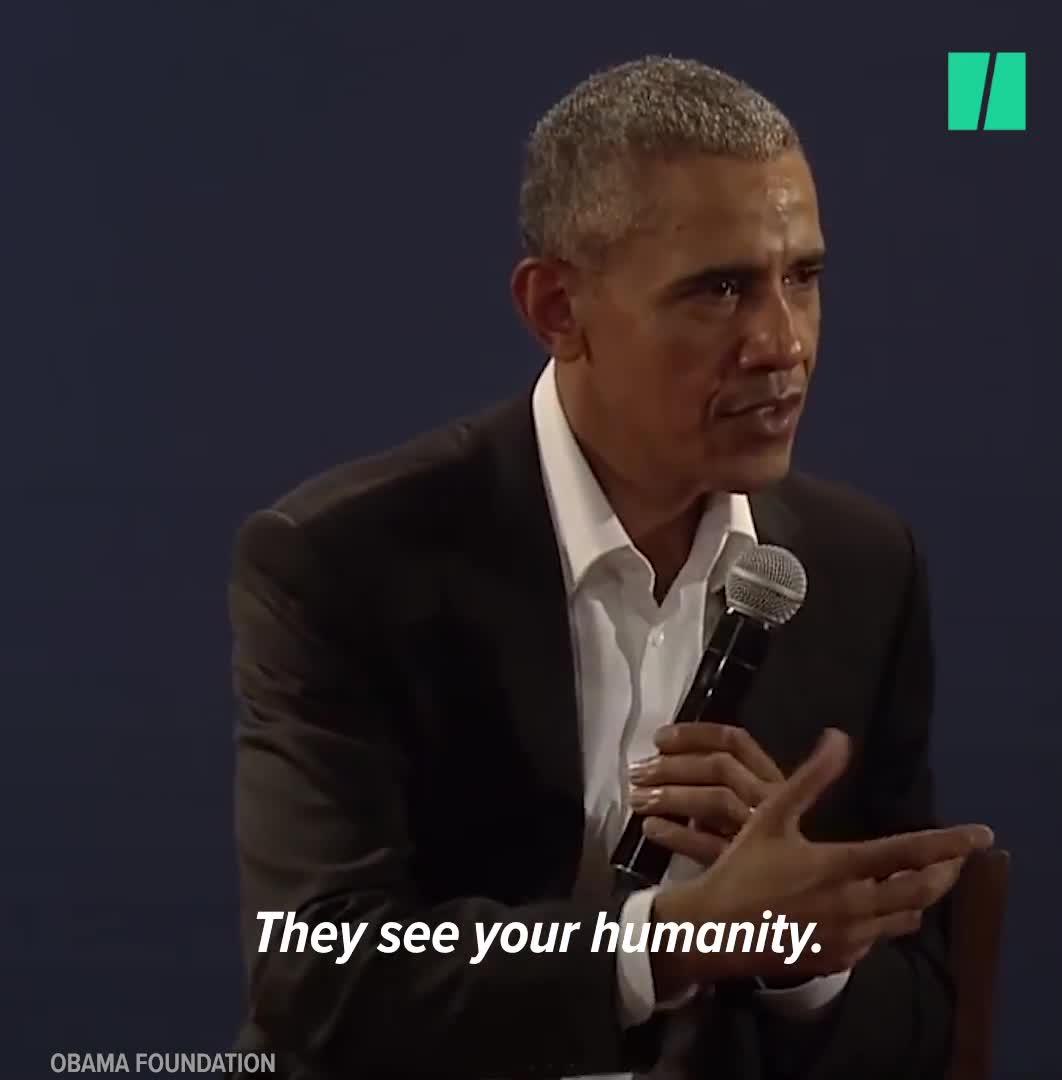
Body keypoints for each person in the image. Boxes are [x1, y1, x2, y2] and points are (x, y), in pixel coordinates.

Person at [227, 56, 993, 1080]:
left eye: (803, 279)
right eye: (721, 289)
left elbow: (923, 1027)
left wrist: (804, 948)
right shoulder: (345, 561)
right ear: (557, 308)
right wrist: (671, 942)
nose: (782, 343)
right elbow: (320, 972)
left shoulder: (863, 569)